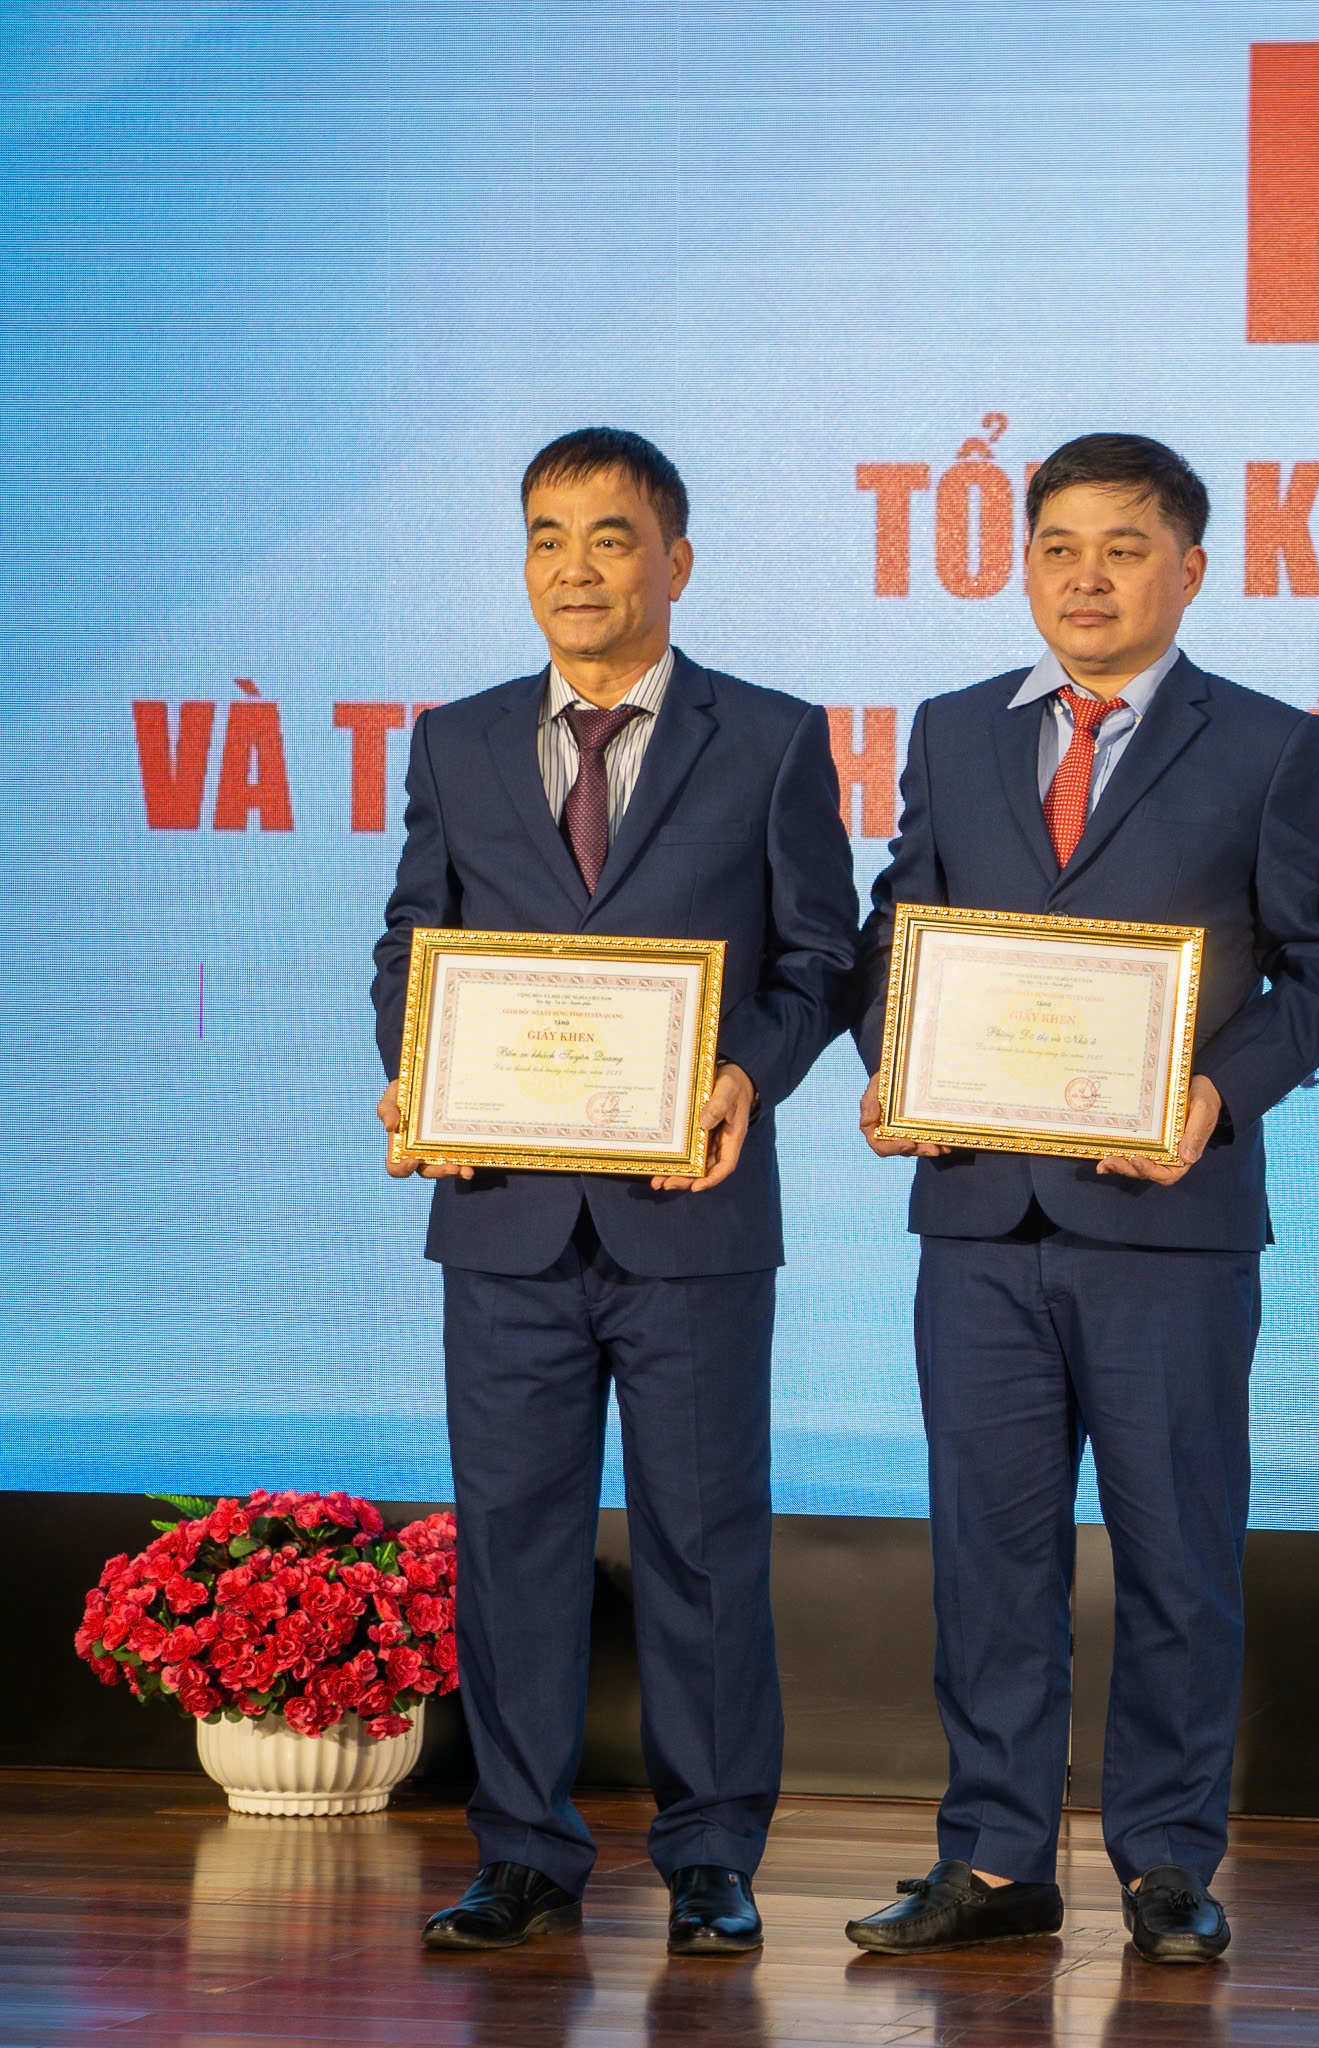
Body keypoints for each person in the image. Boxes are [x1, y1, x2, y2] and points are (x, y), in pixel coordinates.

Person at [837, 434, 1319, 1966]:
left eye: (1123, 549)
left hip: (1169, 1221)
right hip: (978, 1217)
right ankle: (995, 1859)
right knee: (987, 1553)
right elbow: (897, 933)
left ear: (1189, 570)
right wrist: (895, 1060)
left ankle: (1168, 1861)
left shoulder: (1268, 746)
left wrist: (1216, 1095)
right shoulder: (954, 731)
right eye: (1058, 547)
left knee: (1177, 1555)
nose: (1086, 577)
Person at [373, 427, 860, 1955]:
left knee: (704, 1539)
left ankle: (710, 1852)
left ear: (676, 561)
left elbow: (821, 959)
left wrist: (748, 1074)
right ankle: (523, 1850)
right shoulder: (454, 742)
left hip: (691, 1209)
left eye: (610, 536)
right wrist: (417, 1071)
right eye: (547, 536)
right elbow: (411, 943)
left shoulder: (769, 738)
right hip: (504, 1213)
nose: (574, 568)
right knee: (511, 1535)